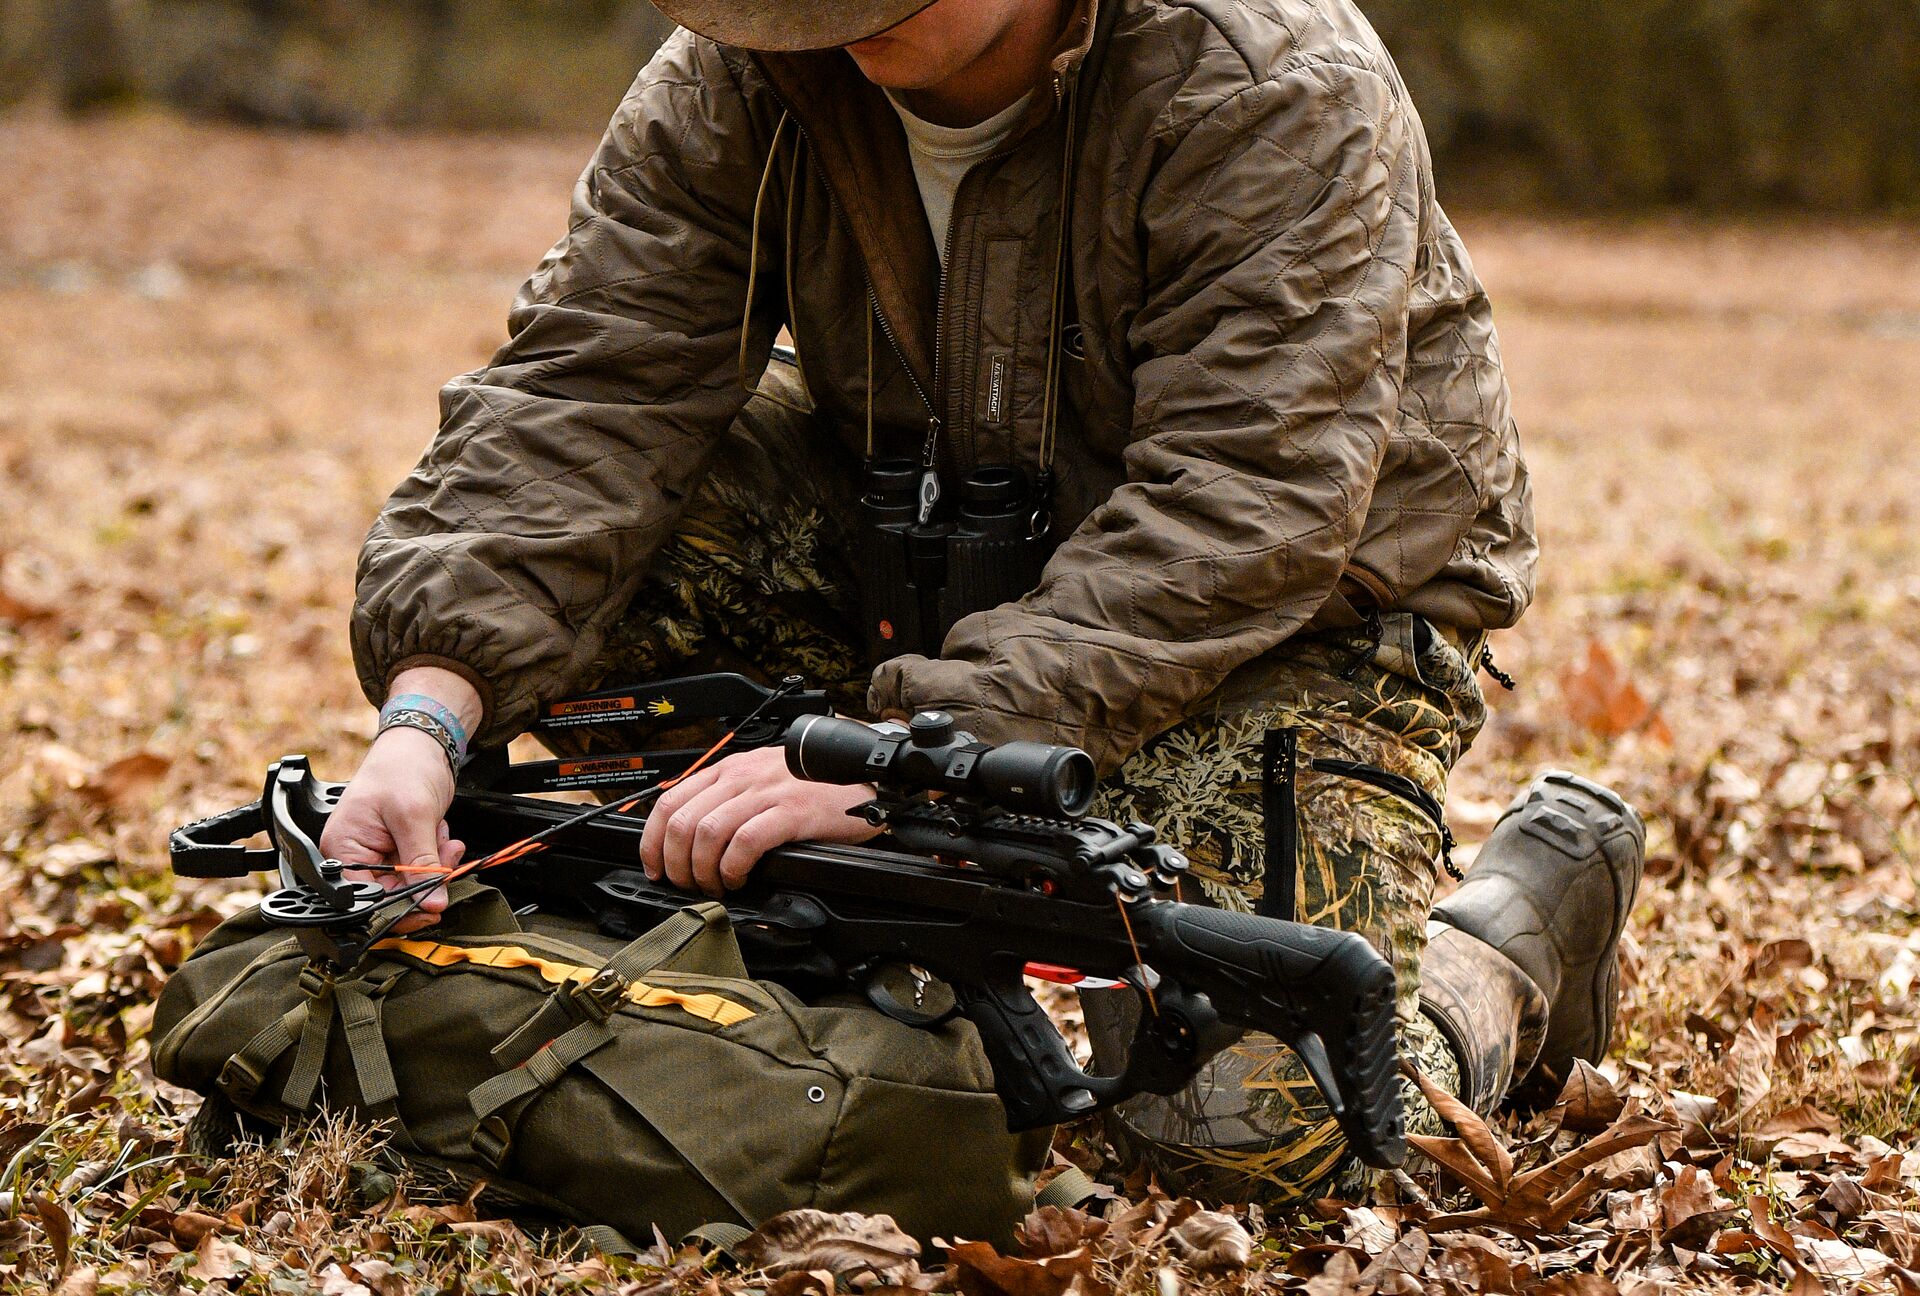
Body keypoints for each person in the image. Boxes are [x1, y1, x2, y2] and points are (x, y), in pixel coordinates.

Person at [321, 0, 1643, 1204]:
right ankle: (819, 933)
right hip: (930, 567)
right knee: (617, 550)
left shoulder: (1267, 80)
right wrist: (426, 718)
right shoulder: (745, 71)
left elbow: (1251, 501)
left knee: (1255, 1140)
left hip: (1298, 626)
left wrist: (910, 766)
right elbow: (583, 396)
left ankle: (1510, 945)